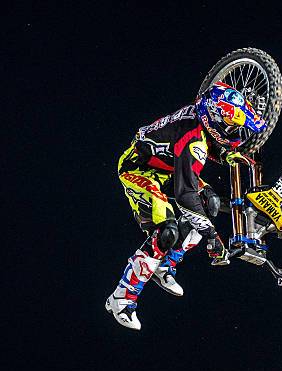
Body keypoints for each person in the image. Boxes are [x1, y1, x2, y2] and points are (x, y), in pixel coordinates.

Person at [105, 82, 266, 330]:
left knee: (209, 202)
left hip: (167, 168)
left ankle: (166, 266)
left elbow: (202, 146)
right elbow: (185, 195)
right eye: (230, 126)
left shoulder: (199, 120)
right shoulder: (194, 139)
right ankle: (122, 298)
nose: (233, 131)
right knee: (168, 230)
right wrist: (212, 236)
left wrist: (224, 155)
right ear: (214, 116)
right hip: (139, 170)